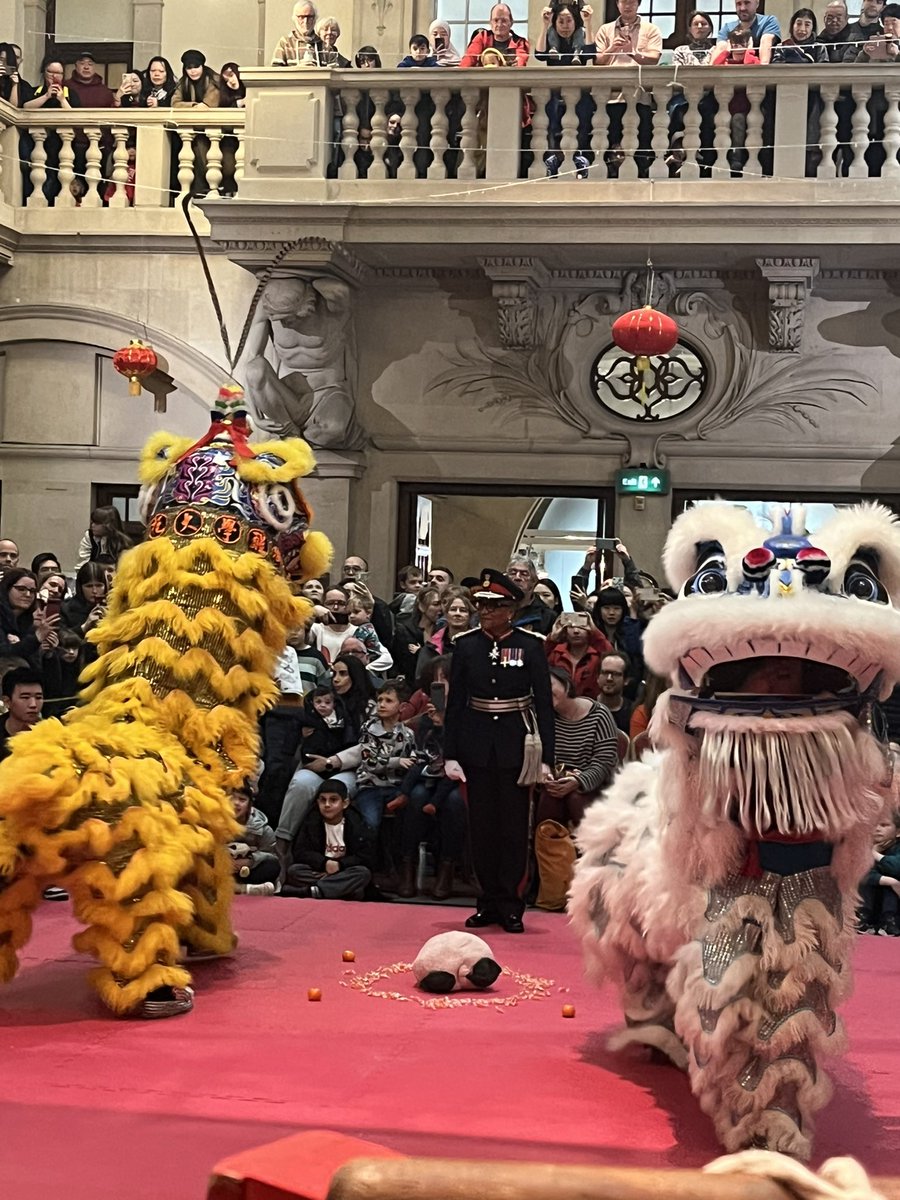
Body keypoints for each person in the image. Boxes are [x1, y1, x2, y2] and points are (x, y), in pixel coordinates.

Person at [444, 568, 555, 934]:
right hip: (477, 744)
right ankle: (487, 900)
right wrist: (451, 754)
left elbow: (543, 705)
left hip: (516, 744)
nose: (484, 612)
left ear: (510, 609)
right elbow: (456, 704)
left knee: (512, 827)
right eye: (481, 605)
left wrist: (548, 760)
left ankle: (511, 903)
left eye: (493, 606)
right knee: (482, 828)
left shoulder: (529, 645)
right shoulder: (467, 645)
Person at [275, 653, 375, 867]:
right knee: (301, 784)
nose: (336, 679)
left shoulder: (368, 707)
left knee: (337, 790)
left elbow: (367, 744)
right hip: (314, 761)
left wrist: (332, 761)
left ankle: (342, 859)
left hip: (348, 767)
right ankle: (282, 844)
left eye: (343, 674)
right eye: (334, 674)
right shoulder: (318, 702)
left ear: (355, 676)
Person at [393, 662, 467, 899]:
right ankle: (408, 866)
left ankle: (447, 869)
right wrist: (434, 723)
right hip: (428, 775)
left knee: (455, 802)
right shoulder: (427, 715)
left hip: (459, 778)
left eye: (445, 680)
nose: (441, 686)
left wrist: (446, 725)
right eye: (436, 681)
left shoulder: (468, 711)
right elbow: (423, 749)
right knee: (415, 797)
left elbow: (464, 751)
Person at [536, 666, 619, 828]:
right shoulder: (544, 718)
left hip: (593, 783)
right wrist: (546, 776)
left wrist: (579, 780)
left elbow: (604, 762)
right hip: (557, 782)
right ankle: (545, 850)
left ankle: (590, 851)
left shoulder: (599, 714)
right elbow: (539, 756)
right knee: (550, 798)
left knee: (576, 798)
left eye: (549, 685)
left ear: (567, 685)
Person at [284, 779, 375, 899]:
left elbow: (366, 856)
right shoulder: (311, 822)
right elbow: (301, 852)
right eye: (323, 800)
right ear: (317, 802)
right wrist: (324, 863)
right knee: (294, 871)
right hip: (319, 870)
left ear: (345, 803)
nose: (327, 805)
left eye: (333, 800)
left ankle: (314, 891)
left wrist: (340, 865)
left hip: (344, 870)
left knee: (363, 873)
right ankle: (337, 888)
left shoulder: (357, 823)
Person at [536, 2, 596, 180]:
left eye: (569, 21)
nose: (565, 26)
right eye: (561, 21)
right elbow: (539, 54)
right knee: (553, 125)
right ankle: (554, 159)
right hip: (555, 94)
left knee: (582, 123)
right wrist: (545, 24)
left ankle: (580, 160)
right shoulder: (551, 36)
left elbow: (591, 53)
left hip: (580, 95)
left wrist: (589, 22)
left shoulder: (581, 35)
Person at [353, 678, 416, 832]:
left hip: (396, 787)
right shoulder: (369, 729)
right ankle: (367, 855)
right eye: (380, 700)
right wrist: (397, 761)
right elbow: (369, 761)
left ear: (402, 707)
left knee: (410, 818)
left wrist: (412, 761)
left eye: (388, 701)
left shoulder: (408, 734)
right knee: (371, 823)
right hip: (370, 786)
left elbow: (413, 758)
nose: (381, 704)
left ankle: (404, 855)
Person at [20, 56, 82, 205]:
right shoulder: (36, 91)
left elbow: (76, 117)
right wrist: (47, 96)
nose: (55, 76)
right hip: (37, 143)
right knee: (35, 176)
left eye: (59, 73)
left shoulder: (70, 94)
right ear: (44, 72)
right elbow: (25, 108)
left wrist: (61, 99)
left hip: (61, 144)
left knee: (57, 178)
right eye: (51, 72)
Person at [0, 568, 59, 671]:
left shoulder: (29, 623)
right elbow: (4, 653)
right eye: (21, 589)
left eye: (32, 591)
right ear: (7, 589)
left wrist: (47, 654)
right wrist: (36, 638)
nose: (28, 595)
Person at [545, 611, 613, 698]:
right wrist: (552, 639)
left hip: (590, 705)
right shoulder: (556, 653)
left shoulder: (597, 655)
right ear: (564, 630)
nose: (576, 631)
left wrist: (595, 633)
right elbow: (538, 663)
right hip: (559, 704)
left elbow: (612, 656)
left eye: (582, 626)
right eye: (571, 627)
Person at [229, 781, 280, 895]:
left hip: (248, 870)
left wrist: (250, 860)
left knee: (272, 867)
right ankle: (244, 889)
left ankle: (238, 887)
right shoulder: (215, 823)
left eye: (242, 800)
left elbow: (271, 856)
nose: (236, 803)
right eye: (232, 798)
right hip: (224, 867)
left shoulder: (263, 829)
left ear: (250, 805)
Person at [416, 586, 476, 681]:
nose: (457, 613)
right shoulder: (431, 646)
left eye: (463, 610)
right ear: (446, 613)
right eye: (453, 609)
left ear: (470, 614)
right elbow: (421, 679)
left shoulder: (479, 643)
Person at [857, 806, 900, 935]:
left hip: (894, 904)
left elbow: (897, 867)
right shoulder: (863, 845)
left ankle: (888, 921)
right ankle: (863, 918)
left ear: (898, 831)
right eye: (874, 825)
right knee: (874, 878)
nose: (877, 829)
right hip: (869, 900)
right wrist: (887, 881)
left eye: (884, 825)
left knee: (893, 876)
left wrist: (875, 855)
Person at [393, 584, 441, 680]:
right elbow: (400, 662)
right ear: (422, 607)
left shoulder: (442, 631)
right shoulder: (404, 630)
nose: (440, 608)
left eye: (442, 604)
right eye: (436, 604)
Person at [460, 4, 531, 66]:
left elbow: (520, 67)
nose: (499, 25)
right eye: (496, 20)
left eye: (504, 21)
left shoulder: (520, 42)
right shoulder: (482, 37)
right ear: (490, 23)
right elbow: (467, 62)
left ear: (511, 23)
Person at [346, 584, 394, 672]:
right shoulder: (362, 627)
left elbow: (354, 646)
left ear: (368, 613)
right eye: (349, 613)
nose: (352, 616)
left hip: (373, 658)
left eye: (356, 612)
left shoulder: (365, 629)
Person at [714, 0, 781, 63]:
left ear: (757, 3)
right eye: (739, 3)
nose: (742, 8)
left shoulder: (768, 21)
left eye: (747, 3)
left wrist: (762, 71)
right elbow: (720, 48)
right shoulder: (728, 27)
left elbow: (766, 43)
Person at [60, 562, 107, 644]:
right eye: (89, 586)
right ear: (80, 587)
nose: (94, 591)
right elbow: (61, 641)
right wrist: (84, 627)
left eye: (99, 586)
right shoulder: (66, 608)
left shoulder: (115, 606)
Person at [507, 557, 556, 635]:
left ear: (533, 581)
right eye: (513, 573)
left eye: (524, 574)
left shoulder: (548, 616)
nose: (517, 577)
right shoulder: (494, 608)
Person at [272, 1, 323, 65]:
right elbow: (276, 71)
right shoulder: (285, 43)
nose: (305, 21)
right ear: (295, 18)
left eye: (310, 17)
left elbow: (334, 72)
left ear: (315, 18)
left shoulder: (323, 44)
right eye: (301, 17)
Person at [597, 650, 633, 734]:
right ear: (597, 677)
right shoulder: (585, 709)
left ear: (626, 680)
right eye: (605, 673)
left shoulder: (633, 712)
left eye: (615, 674)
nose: (609, 678)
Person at [0, 42, 25, 107]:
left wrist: (15, 85)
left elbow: (13, 108)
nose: (3, 63)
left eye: (6, 60)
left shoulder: (9, 80)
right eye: (1, 59)